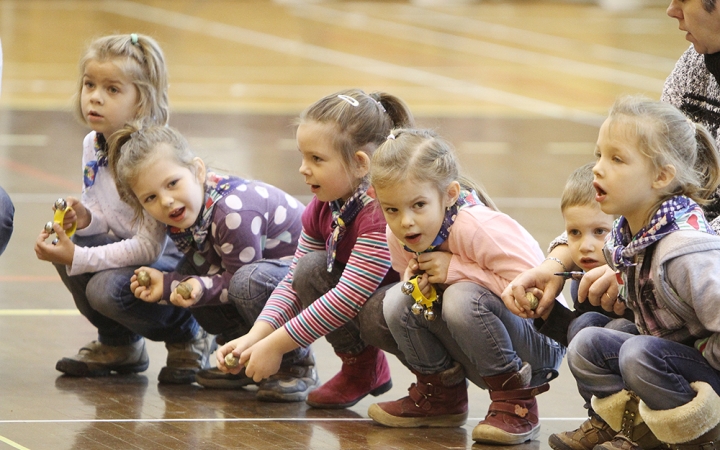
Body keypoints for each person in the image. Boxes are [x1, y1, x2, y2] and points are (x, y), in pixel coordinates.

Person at [214, 89, 415, 407]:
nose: (303, 169)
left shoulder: (378, 212)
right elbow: (293, 282)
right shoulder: (327, 205)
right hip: (377, 302)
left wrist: (276, 346)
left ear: (360, 163)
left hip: (418, 310)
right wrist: (255, 338)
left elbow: (348, 298)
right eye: (302, 156)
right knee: (309, 271)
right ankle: (360, 368)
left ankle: (441, 385)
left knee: (379, 310)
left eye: (317, 159)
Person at [366, 129, 566, 446]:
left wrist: (454, 270)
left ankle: (519, 403)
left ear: (449, 194)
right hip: (485, 337)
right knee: (396, 302)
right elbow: (410, 284)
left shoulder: (477, 227)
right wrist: (419, 284)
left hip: (540, 341)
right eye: (392, 210)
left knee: (461, 297)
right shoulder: (401, 236)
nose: (405, 222)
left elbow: (536, 297)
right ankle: (441, 398)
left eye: (418, 205)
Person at [34, 34, 212, 384]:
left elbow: (148, 246)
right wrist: (83, 220)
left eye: (112, 89)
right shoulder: (94, 142)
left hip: (176, 264)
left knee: (101, 285)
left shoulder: (150, 154)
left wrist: (79, 257)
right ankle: (119, 345)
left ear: (142, 101)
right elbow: (105, 214)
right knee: (65, 248)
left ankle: (189, 334)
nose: (94, 97)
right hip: (136, 253)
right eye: (89, 85)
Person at [108, 122, 311, 401]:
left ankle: (296, 364)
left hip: (305, 280)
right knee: (190, 272)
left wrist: (173, 285)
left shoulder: (232, 211)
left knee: (241, 284)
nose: (166, 201)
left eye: (172, 183)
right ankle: (240, 355)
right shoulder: (186, 214)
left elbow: (238, 281)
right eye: (151, 197)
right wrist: (174, 285)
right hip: (262, 277)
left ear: (198, 171)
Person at [567, 96, 720, 449]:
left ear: (661, 176)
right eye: (599, 155)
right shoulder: (628, 237)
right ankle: (636, 429)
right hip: (674, 356)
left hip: (707, 375)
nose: (598, 169)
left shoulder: (683, 249)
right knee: (588, 341)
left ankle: (697, 437)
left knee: (637, 352)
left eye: (617, 159)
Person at [532, 163, 637, 450]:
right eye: (575, 233)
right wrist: (545, 310)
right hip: (614, 359)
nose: (585, 246)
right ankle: (602, 419)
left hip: (651, 365)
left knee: (617, 328)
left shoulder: (637, 267)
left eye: (599, 231)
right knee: (582, 326)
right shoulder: (580, 277)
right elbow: (579, 334)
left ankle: (634, 426)